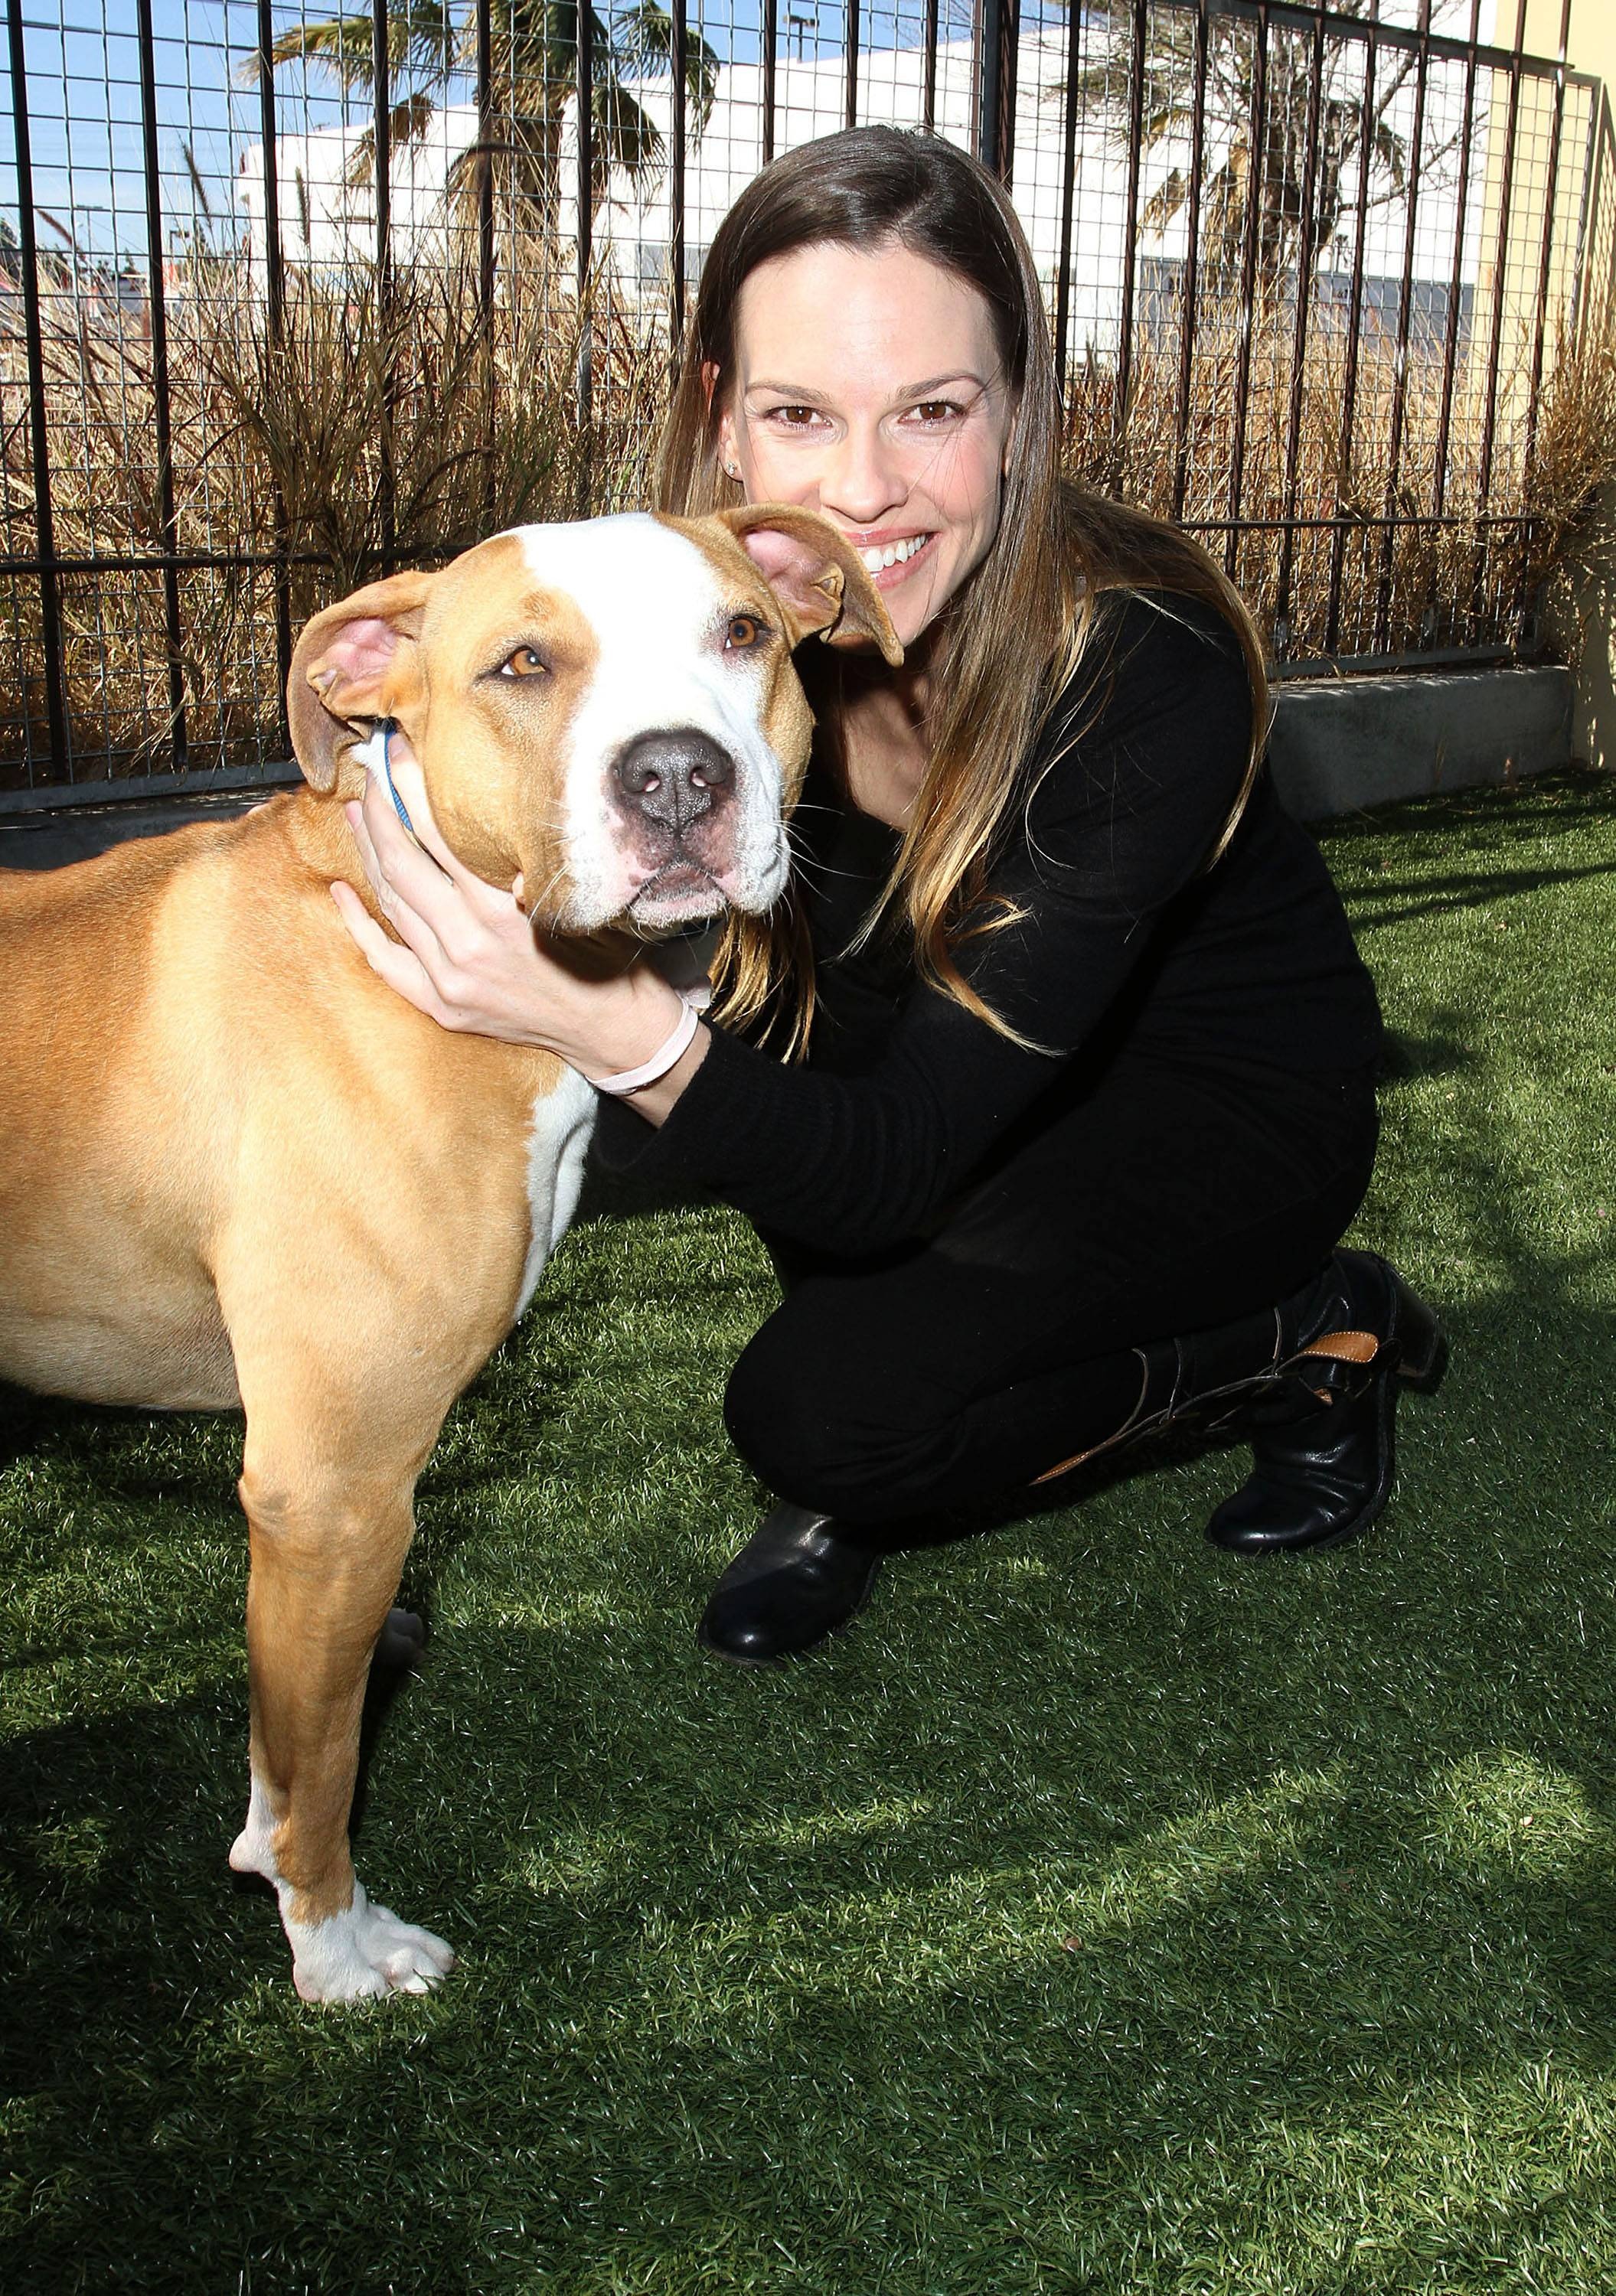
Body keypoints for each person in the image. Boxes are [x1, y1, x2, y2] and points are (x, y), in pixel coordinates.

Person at [332, 126, 1447, 1668]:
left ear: (1019, 412)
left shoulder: (1146, 660)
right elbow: (786, 1029)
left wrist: (608, 1025)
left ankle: (1315, 1329)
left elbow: (877, 1150)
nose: (863, 491)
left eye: (933, 410)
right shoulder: (702, 623)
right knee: (791, 1025)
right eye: (801, 413)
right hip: (945, 1087)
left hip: (1219, 1110)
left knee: (828, 1421)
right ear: (724, 421)